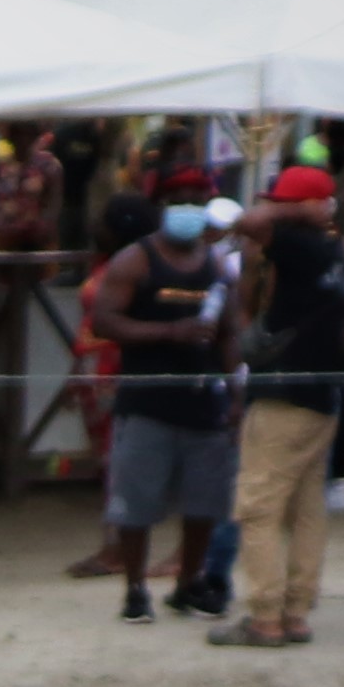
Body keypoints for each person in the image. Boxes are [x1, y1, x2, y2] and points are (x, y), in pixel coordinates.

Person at [81, 193, 243, 619]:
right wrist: (170, 331)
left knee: (205, 504)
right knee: (135, 503)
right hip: (146, 401)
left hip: (203, 402)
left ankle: (188, 582)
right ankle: (135, 589)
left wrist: (236, 395)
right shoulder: (134, 261)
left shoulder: (219, 267)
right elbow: (105, 320)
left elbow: (229, 334)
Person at [215, 165, 344, 648]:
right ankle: (296, 611)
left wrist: (293, 208)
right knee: (306, 508)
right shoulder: (339, 252)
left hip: (282, 394)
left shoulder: (297, 246)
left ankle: (265, 617)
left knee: (258, 506)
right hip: (321, 394)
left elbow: (248, 221)